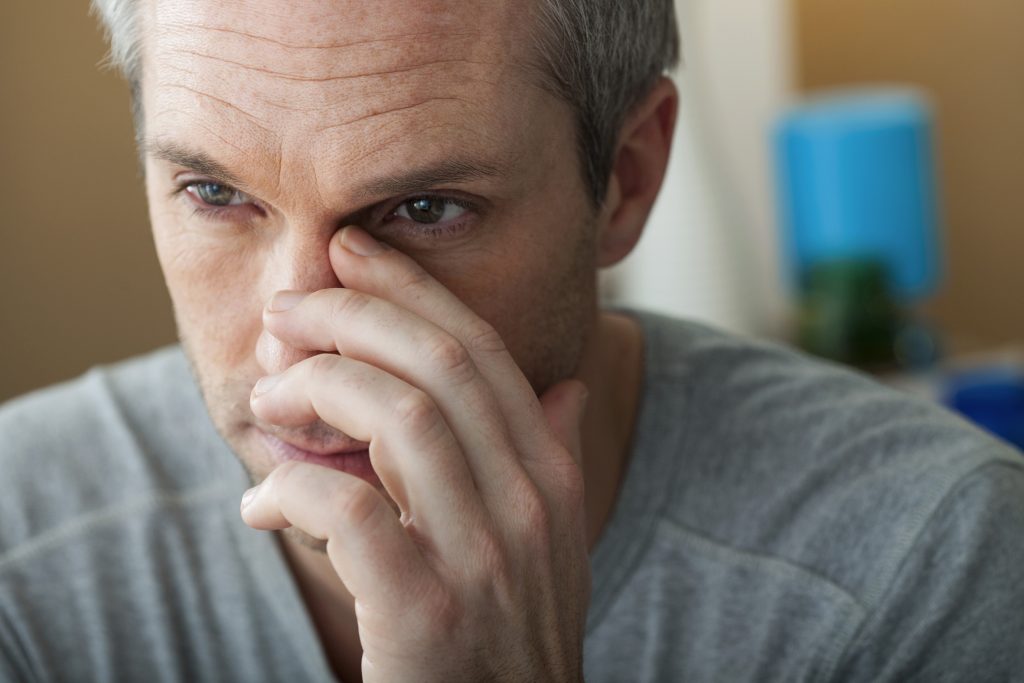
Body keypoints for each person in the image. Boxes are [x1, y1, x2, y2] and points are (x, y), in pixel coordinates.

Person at [2, 0, 1022, 680]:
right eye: (216, 193)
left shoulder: (924, 563)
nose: (296, 346)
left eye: (424, 208)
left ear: (624, 178)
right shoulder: (21, 561)